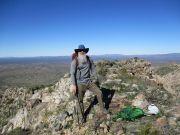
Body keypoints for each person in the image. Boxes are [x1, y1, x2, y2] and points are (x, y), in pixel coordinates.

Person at [70, 44, 107, 123]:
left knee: (99, 93)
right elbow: (72, 73)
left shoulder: (89, 59)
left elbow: (93, 68)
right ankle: (82, 117)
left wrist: (95, 78)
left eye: (83, 50)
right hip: (79, 83)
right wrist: (73, 85)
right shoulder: (75, 61)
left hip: (89, 82)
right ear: (78, 52)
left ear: (85, 51)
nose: (82, 51)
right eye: (80, 50)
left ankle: (103, 109)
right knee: (80, 101)